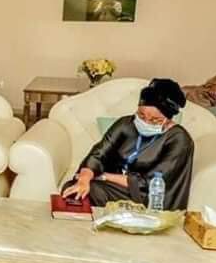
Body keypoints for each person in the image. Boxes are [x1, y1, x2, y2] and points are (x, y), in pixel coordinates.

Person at [62, 78, 193, 210]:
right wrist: (84, 179)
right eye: (141, 115)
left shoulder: (179, 139)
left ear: (168, 119)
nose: (146, 122)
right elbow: (99, 154)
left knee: (94, 191)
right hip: (115, 187)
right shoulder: (125, 124)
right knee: (73, 188)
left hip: (149, 196)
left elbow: (150, 182)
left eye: (154, 120)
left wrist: (103, 176)